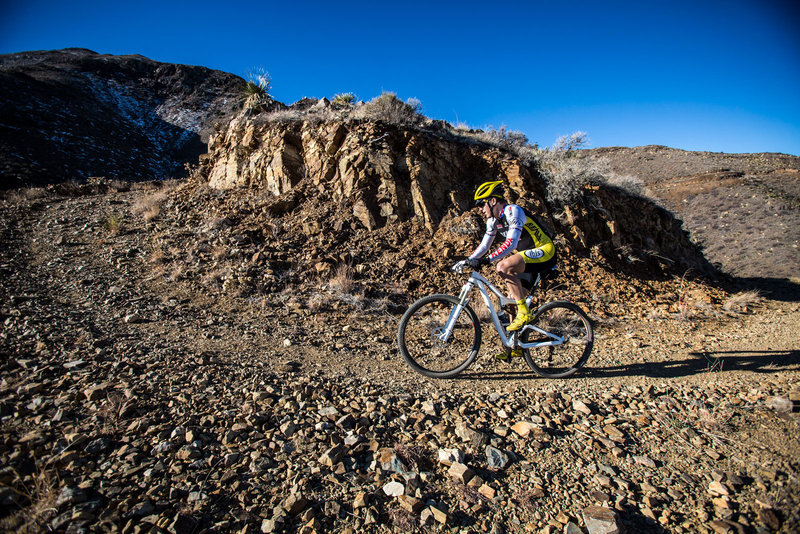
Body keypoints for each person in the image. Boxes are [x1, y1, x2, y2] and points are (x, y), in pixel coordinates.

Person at [462, 180, 557, 358]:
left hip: (545, 251)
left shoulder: (513, 211)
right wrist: (467, 260)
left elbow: (511, 242)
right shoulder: (493, 222)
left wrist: (488, 260)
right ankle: (516, 347)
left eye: (482, 204)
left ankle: (525, 313)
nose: (481, 210)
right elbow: (484, 246)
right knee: (513, 301)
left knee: (503, 266)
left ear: (492, 201)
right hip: (527, 258)